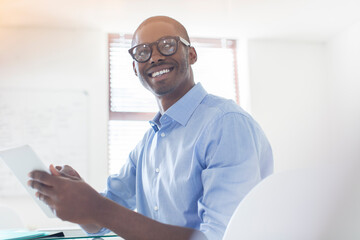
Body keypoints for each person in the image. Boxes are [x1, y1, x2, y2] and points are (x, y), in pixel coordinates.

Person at [28, 16, 273, 240]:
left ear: (191, 55)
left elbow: (221, 237)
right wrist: (79, 195)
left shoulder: (226, 124)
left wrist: (96, 207)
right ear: (135, 68)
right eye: (142, 52)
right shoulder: (149, 143)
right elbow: (100, 224)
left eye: (168, 45)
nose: (154, 57)